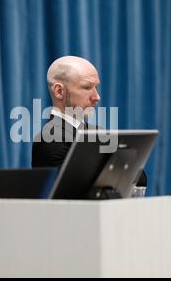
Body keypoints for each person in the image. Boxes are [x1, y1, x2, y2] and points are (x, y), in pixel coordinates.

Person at [32, 55, 147, 186]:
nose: (97, 97)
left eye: (96, 87)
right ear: (59, 91)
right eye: (86, 87)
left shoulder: (97, 132)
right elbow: (73, 193)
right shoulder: (50, 140)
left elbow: (140, 180)